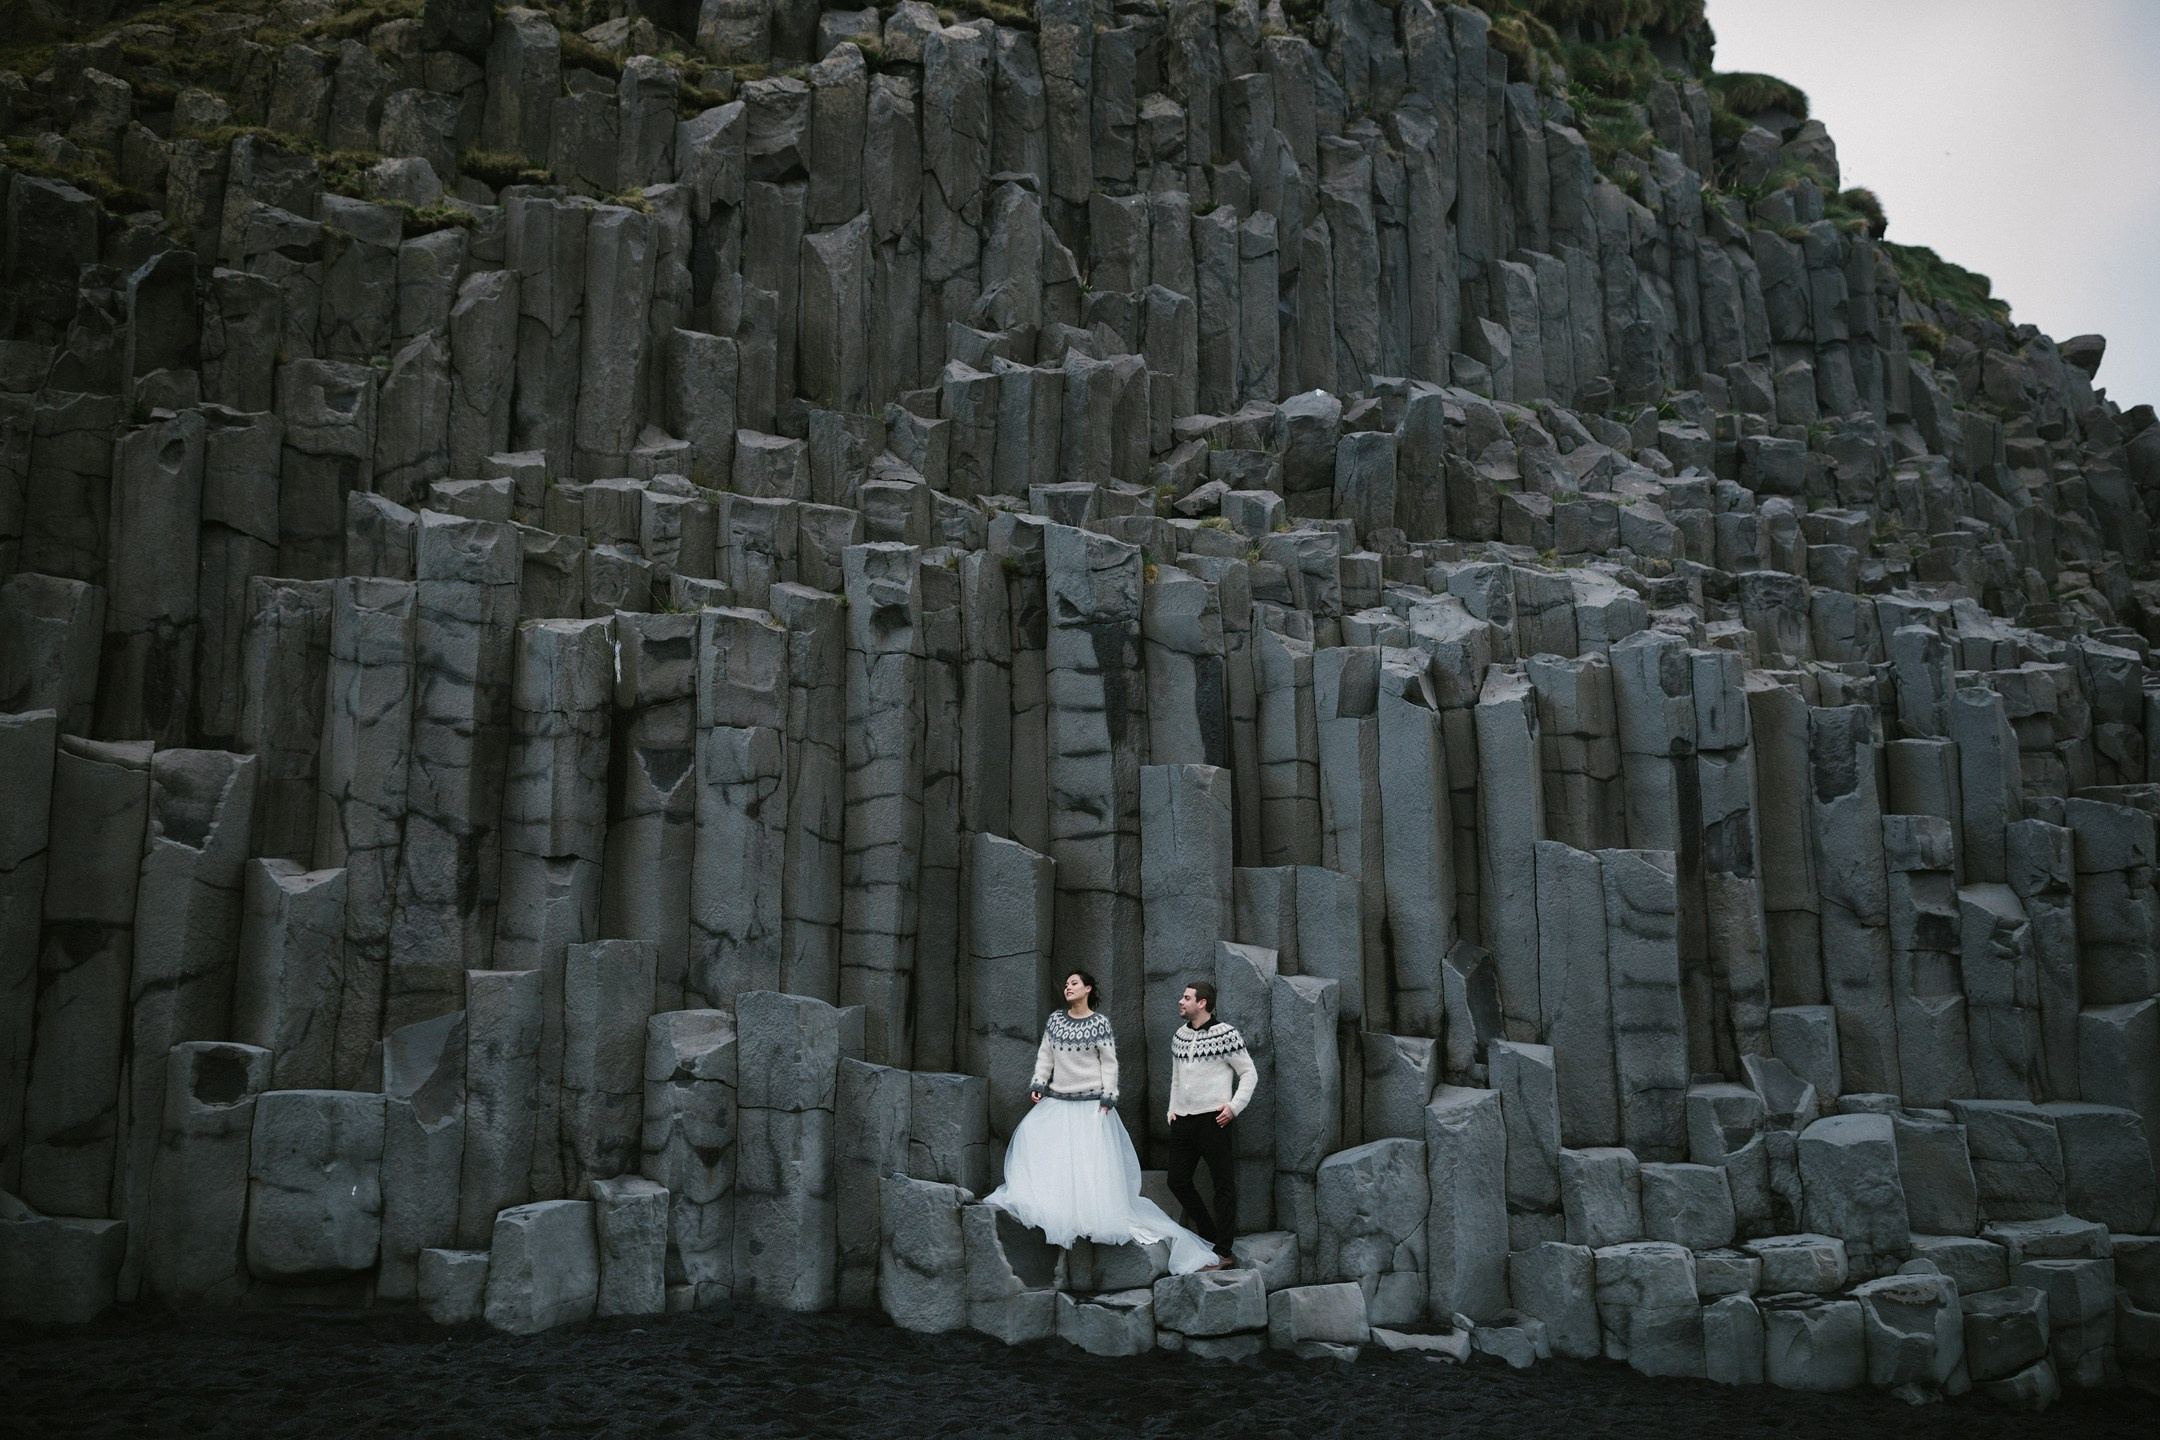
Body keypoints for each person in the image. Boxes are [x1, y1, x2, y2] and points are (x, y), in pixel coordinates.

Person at [982, 970, 1216, 1274]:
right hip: (1058, 1100)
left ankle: (1091, 1219)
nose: (1068, 986)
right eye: (1066, 983)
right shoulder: (1055, 1021)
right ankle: (1054, 1210)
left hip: (1092, 1105)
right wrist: (1039, 1082)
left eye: (1074, 983)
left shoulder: (1099, 1023)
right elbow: (1045, 1056)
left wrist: (1110, 1094)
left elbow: (1109, 1062)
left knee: (1088, 1164)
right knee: (1033, 1137)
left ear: (1088, 989)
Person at [1165, 980, 1257, 1269]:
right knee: (1176, 1181)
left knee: (1223, 1186)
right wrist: (1172, 1110)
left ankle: (1224, 1252)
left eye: (1186, 997)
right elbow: (1176, 1076)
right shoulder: (1179, 1035)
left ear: (1202, 1003)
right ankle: (1208, 1235)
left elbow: (1249, 1073)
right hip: (1183, 1121)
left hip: (1213, 1120)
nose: (1181, 1001)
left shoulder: (1226, 1034)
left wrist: (1234, 1108)